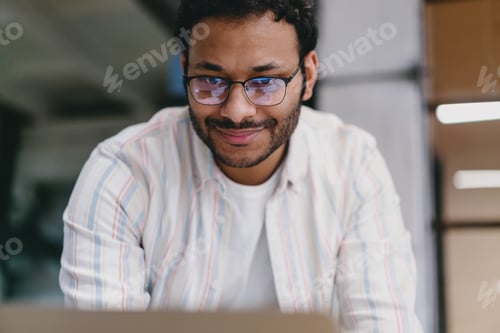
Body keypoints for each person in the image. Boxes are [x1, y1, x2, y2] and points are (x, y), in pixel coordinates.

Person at [60, 0, 422, 331]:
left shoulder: (353, 164)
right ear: (185, 70)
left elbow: (383, 323)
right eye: (210, 81)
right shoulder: (123, 172)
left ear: (308, 76)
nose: (236, 111)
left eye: (265, 83)